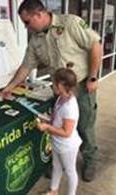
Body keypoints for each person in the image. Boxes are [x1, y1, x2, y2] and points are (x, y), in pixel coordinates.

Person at [2, 0, 102, 182]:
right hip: (59, 91)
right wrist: (9, 87)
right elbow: (26, 67)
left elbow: (95, 45)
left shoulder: (70, 23)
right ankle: (61, 161)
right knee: (59, 127)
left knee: (84, 126)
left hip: (81, 84)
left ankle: (91, 161)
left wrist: (93, 77)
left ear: (38, 15)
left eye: (27, 22)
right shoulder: (35, 40)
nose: (26, 27)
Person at [37, 67, 82, 195]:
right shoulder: (61, 98)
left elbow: (67, 132)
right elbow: (57, 118)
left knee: (70, 171)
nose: (52, 85)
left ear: (61, 85)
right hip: (57, 142)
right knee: (56, 167)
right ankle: (53, 191)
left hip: (67, 146)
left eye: (54, 82)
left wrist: (47, 127)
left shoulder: (70, 107)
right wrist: (47, 118)